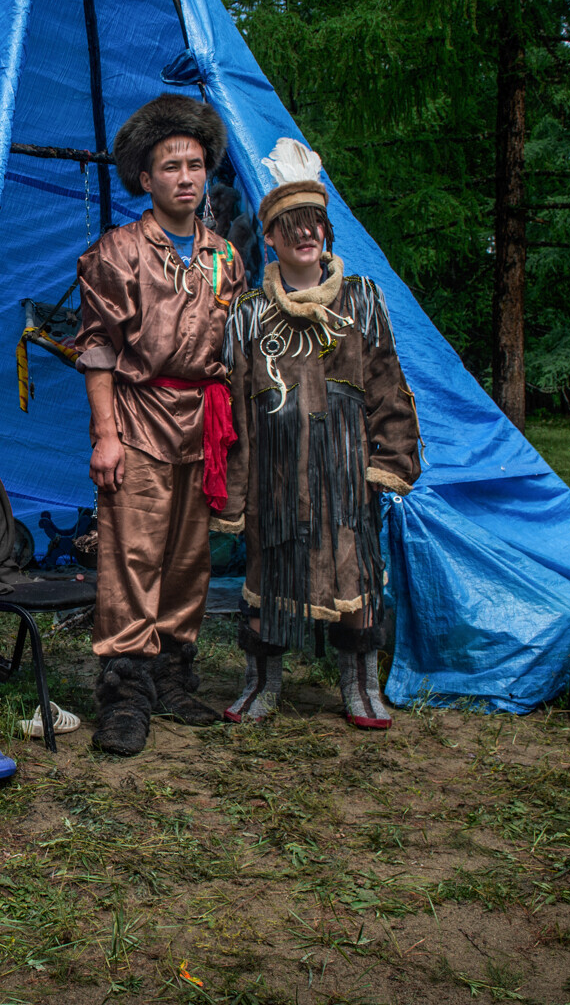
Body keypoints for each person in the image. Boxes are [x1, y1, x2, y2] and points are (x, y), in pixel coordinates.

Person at [213, 140, 421, 728]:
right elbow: (235, 409)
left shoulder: (362, 301)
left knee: (355, 578)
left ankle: (360, 686)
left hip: (346, 473)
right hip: (277, 476)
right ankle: (261, 683)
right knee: (268, 579)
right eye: (291, 226)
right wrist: (236, 490)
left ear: (326, 233)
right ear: (272, 237)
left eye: (314, 225)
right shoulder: (250, 314)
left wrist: (387, 462)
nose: (305, 236)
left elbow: (388, 387)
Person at [71, 94, 247, 756]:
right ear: (144, 179)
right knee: (131, 556)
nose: (185, 177)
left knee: (187, 558)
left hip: (203, 422)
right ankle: (124, 694)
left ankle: (173, 677)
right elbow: (95, 349)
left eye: (195, 165)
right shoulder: (116, 253)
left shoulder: (225, 258)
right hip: (138, 416)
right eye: (170, 165)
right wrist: (105, 435)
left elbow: (232, 345)